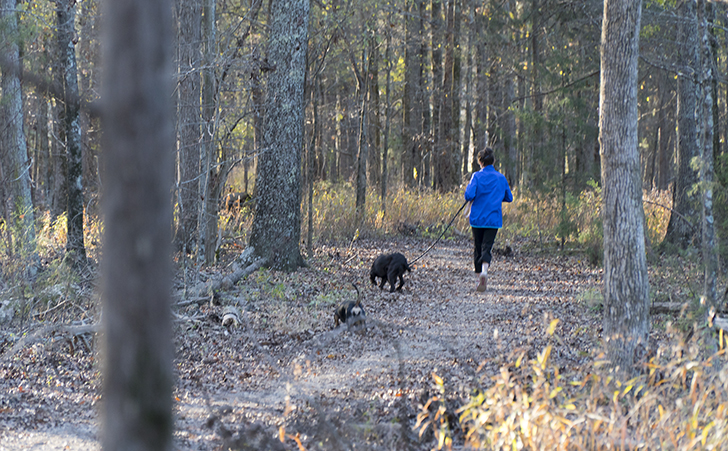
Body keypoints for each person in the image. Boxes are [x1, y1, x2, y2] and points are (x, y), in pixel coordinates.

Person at [464, 147, 513, 292]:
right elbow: (509, 197)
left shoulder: (476, 177)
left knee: (478, 247)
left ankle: (479, 275)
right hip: (493, 219)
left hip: (477, 218)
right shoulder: (501, 178)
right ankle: (485, 271)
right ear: (494, 161)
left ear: (480, 161)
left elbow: (469, 195)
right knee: (488, 246)